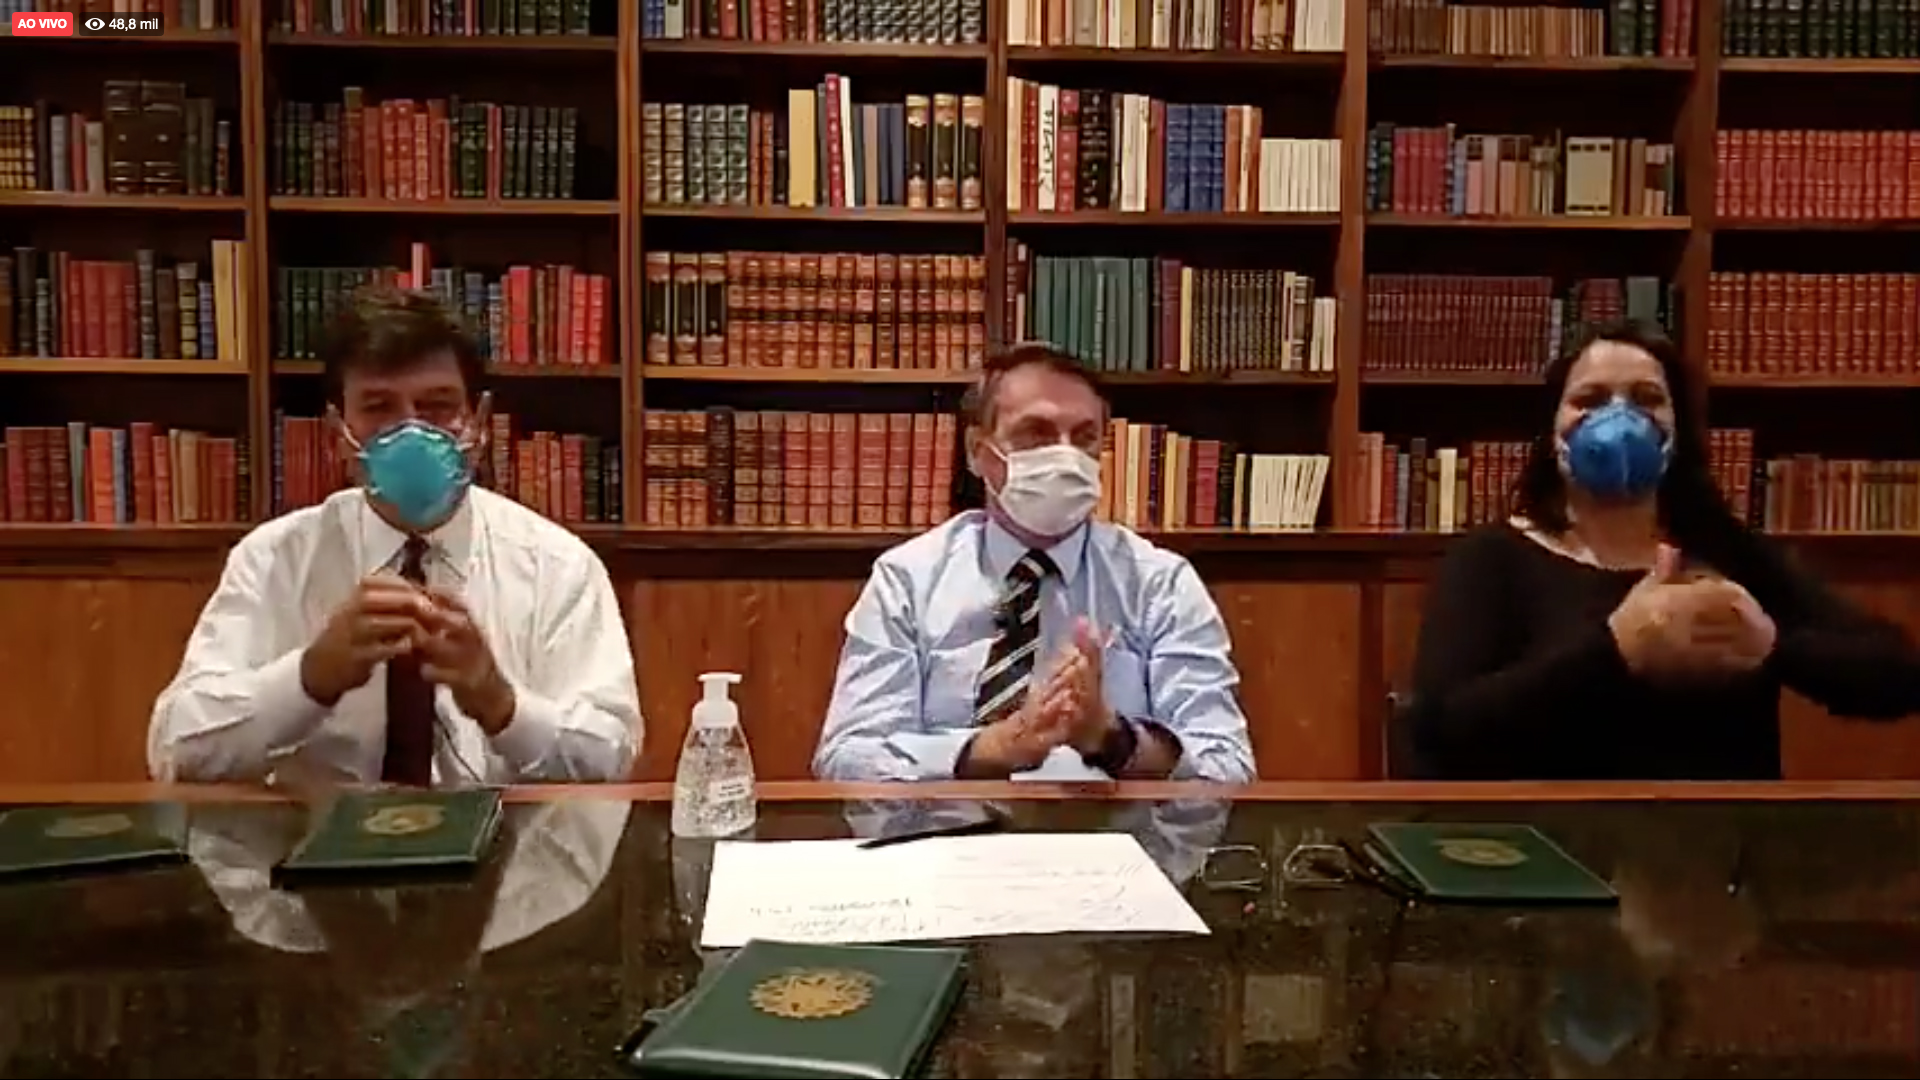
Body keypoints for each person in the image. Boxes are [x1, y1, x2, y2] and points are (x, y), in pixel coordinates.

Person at [149, 288, 641, 785]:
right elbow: (176, 749)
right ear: (337, 433)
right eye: (379, 407)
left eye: (437, 406)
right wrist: (309, 678)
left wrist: (501, 705)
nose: (410, 430)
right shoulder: (274, 558)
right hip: (320, 833)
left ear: (480, 423)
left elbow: (612, 754)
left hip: (505, 834)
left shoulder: (557, 565)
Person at [1407, 319, 1920, 780]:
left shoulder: (1730, 554)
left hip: (1719, 845)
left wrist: (1772, 646)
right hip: (1553, 843)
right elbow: (1439, 735)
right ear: (1552, 431)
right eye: (1589, 400)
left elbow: (1897, 674)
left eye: (1647, 398)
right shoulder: (1493, 559)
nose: (1619, 417)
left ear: (1677, 428)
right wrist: (1616, 649)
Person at [812, 344, 1257, 782]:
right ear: (977, 451)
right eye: (1036, 434)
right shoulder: (909, 579)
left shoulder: (1159, 583)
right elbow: (846, 758)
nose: (1065, 457)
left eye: (1084, 438)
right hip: (946, 829)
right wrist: (992, 749)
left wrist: (1113, 740)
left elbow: (1228, 767)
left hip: (1107, 829)